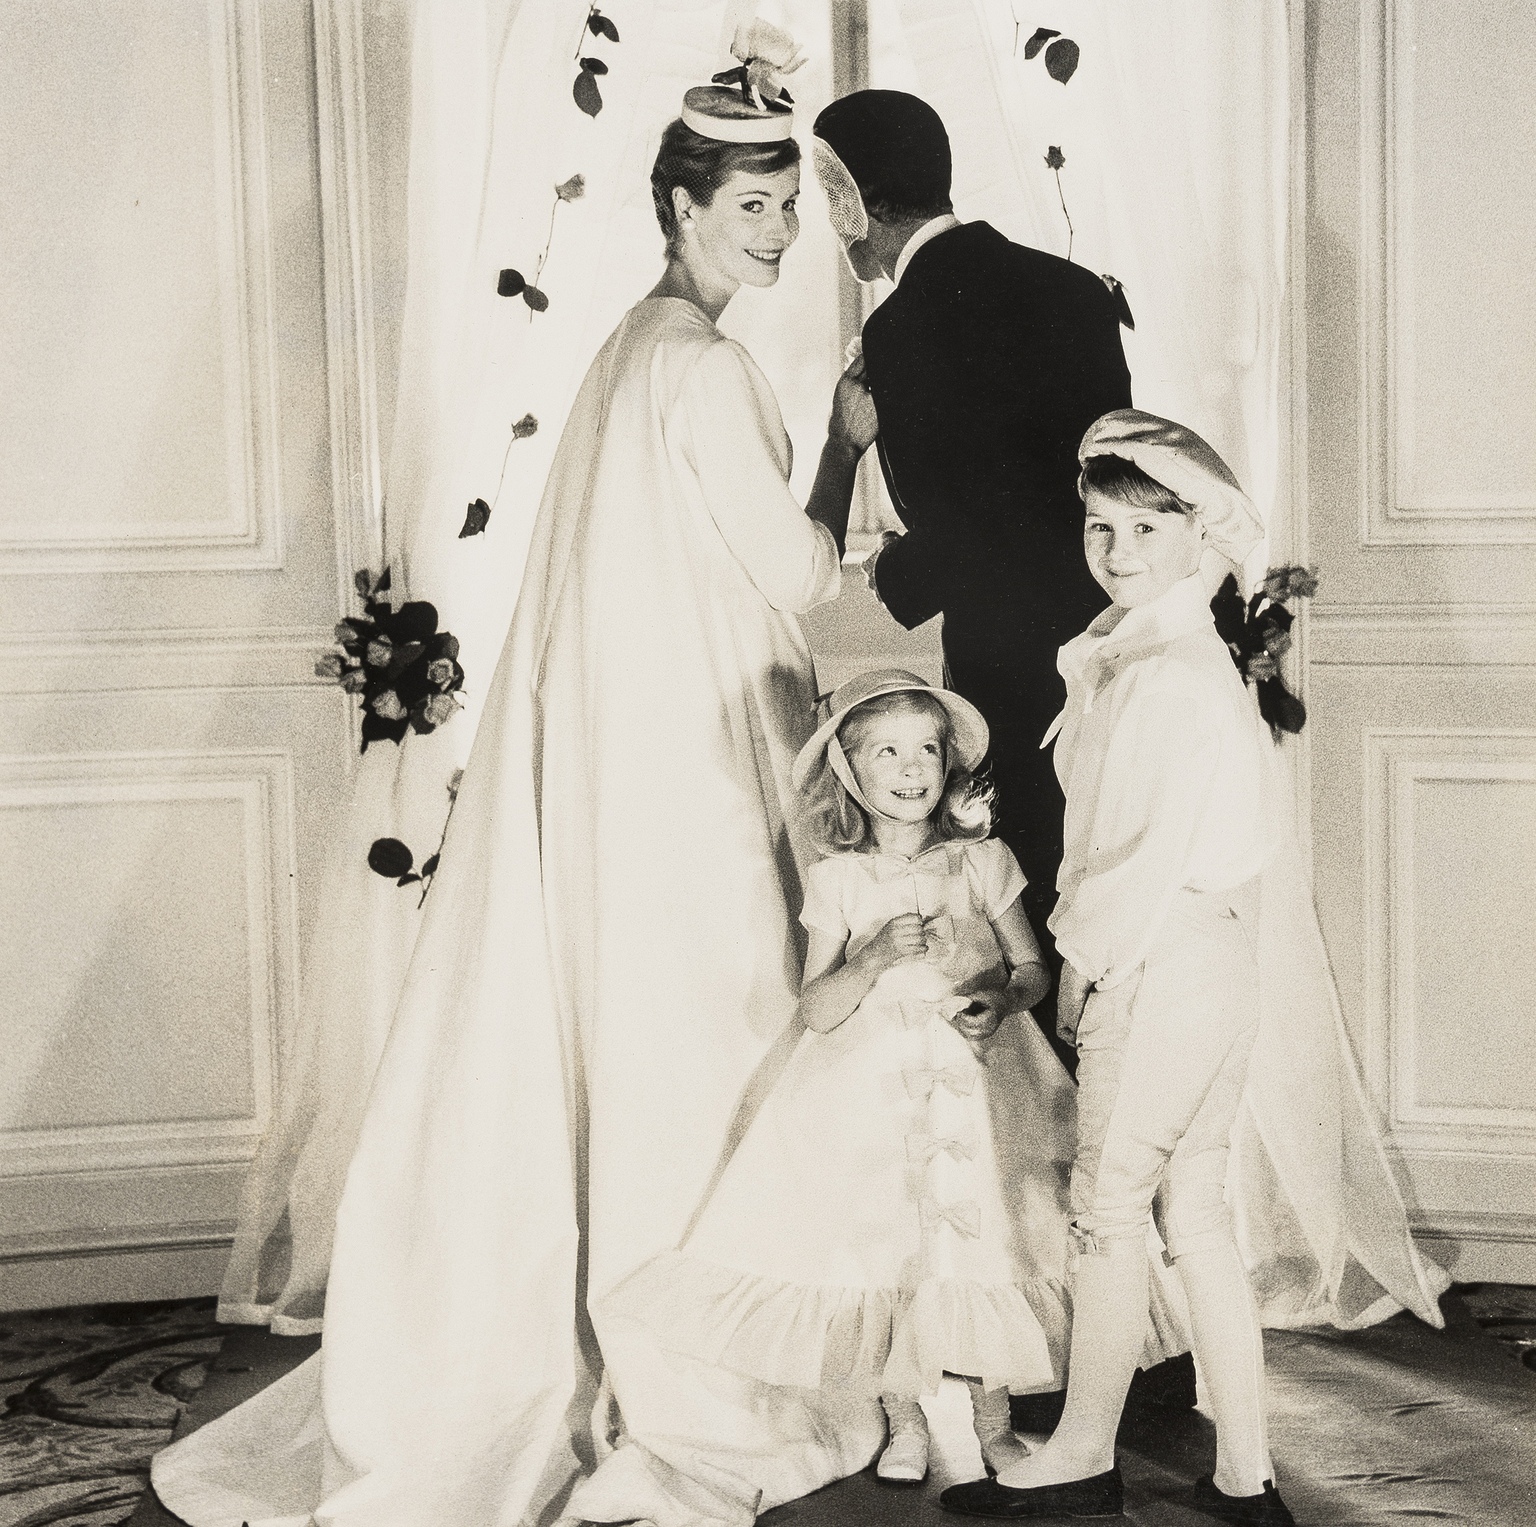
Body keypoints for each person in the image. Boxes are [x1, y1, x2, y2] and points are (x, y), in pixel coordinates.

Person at [150, 30, 890, 1527]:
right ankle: (688, 1366)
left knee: (650, 1042)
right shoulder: (707, 371)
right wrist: (844, 456)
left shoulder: (629, 348)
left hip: (621, 768)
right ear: (683, 208)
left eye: (789, 213)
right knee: (706, 1043)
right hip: (686, 776)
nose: (778, 235)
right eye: (754, 212)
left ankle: (628, 1335)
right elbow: (798, 569)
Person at [607, 670, 1193, 1493]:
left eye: (926, 748)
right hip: (870, 1091)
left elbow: (1030, 968)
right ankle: (905, 1421)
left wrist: (1000, 996)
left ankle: (993, 1427)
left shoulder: (983, 862)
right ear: (849, 771)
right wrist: (873, 956)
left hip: (984, 1084)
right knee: (884, 1246)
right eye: (887, 751)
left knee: (988, 1241)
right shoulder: (839, 879)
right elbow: (817, 1008)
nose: (912, 768)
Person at [941, 411, 1296, 1525]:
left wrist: (1083, 973)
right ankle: (1246, 1476)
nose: (1120, 549)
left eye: (1149, 525)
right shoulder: (1156, 654)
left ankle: (1083, 1453)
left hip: (1161, 959)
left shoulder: (1164, 676)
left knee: (1108, 1210)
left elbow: (1126, 860)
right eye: (1101, 526)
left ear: (1202, 535)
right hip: (1216, 959)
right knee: (1192, 1214)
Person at [811, 89, 1133, 967]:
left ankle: (1049, 1081)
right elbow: (1100, 486)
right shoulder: (1075, 290)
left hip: (1007, 654)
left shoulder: (898, 328)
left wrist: (895, 574)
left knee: (1024, 875)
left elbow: (978, 522)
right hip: (1110, 635)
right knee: (1105, 861)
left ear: (860, 204)